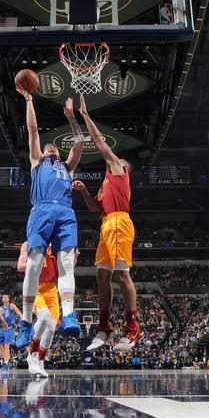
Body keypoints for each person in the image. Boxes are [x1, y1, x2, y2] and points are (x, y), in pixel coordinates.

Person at [14, 86, 85, 350]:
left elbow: (79, 143)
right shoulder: (37, 162)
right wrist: (30, 100)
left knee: (66, 262)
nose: (51, 146)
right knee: (33, 264)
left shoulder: (67, 166)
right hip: (41, 210)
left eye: (55, 146)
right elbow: (33, 131)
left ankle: (68, 314)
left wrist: (71, 117)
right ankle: (25, 321)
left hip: (66, 212)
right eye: (48, 146)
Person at [73, 94, 142, 352]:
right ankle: (104, 327)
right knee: (102, 277)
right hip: (106, 225)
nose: (114, 158)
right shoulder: (105, 184)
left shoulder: (118, 170)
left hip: (120, 224)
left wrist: (85, 116)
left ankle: (133, 328)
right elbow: (95, 208)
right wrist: (82, 191)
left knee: (122, 275)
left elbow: (100, 142)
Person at [18, 242, 59, 378]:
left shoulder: (56, 243)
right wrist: (37, 263)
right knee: (44, 316)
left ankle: (40, 363)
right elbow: (20, 266)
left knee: (51, 328)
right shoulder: (29, 243)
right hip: (35, 287)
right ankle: (32, 354)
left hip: (52, 289)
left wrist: (74, 258)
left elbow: (62, 269)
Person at [0, 294, 22, 372]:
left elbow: (20, 314)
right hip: (2, 328)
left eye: (7, 297)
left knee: (6, 346)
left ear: (9, 299)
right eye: (4, 297)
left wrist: (20, 323)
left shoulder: (12, 306)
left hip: (10, 328)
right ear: (2, 299)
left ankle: (6, 363)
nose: (5, 298)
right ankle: (7, 361)